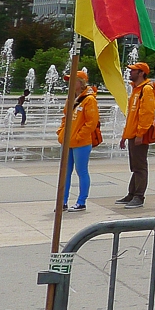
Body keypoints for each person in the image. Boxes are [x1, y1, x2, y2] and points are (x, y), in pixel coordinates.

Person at [116, 61, 155, 209]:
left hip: (139, 135)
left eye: (133, 70)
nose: (130, 72)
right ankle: (131, 194)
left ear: (141, 73)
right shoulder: (136, 89)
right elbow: (132, 116)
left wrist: (140, 134)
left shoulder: (146, 89)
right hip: (132, 134)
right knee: (135, 166)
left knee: (140, 166)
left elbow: (146, 114)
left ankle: (139, 196)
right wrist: (125, 135)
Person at [57, 69, 99, 212]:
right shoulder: (70, 98)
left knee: (81, 171)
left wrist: (79, 136)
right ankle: (62, 201)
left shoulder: (89, 99)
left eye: (72, 80)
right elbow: (65, 117)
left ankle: (81, 201)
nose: (69, 83)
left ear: (80, 83)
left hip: (81, 143)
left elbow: (91, 122)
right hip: (67, 141)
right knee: (65, 172)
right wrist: (61, 132)